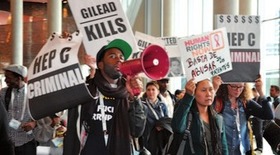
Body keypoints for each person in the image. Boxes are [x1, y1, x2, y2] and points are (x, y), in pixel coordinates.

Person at [63, 39, 146, 155]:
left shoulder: (127, 93)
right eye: (112, 56)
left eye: (121, 57)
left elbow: (137, 131)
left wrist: (135, 98)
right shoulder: (87, 90)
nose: (119, 60)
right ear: (100, 64)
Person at [214, 76, 274, 155]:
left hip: (243, 150)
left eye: (241, 86)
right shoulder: (218, 103)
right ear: (225, 85)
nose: (238, 90)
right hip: (224, 150)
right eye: (234, 86)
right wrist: (214, 89)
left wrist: (260, 91)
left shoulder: (245, 103)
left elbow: (268, 115)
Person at [171, 76, 228, 155]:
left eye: (211, 89)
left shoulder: (218, 119)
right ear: (194, 92)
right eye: (203, 90)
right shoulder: (187, 115)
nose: (208, 94)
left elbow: (223, 148)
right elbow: (177, 127)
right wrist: (188, 96)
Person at [0, 64, 38, 155]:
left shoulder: (33, 92)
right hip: (8, 142)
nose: (5, 80)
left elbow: (42, 115)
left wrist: (34, 123)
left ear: (19, 78)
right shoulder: (4, 92)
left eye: (8, 78)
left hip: (26, 141)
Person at [140, 81, 171, 155]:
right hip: (147, 135)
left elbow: (167, 120)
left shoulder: (162, 105)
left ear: (158, 92)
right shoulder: (142, 104)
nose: (151, 92)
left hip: (161, 136)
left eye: (153, 89)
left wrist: (162, 126)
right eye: (148, 89)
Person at [249, 87, 264, 153]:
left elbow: (261, 109)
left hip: (259, 119)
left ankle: (260, 147)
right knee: (256, 133)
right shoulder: (254, 99)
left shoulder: (260, 98)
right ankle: (258, 147)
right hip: (254, 118)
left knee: (259, 133)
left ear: (255, 91)